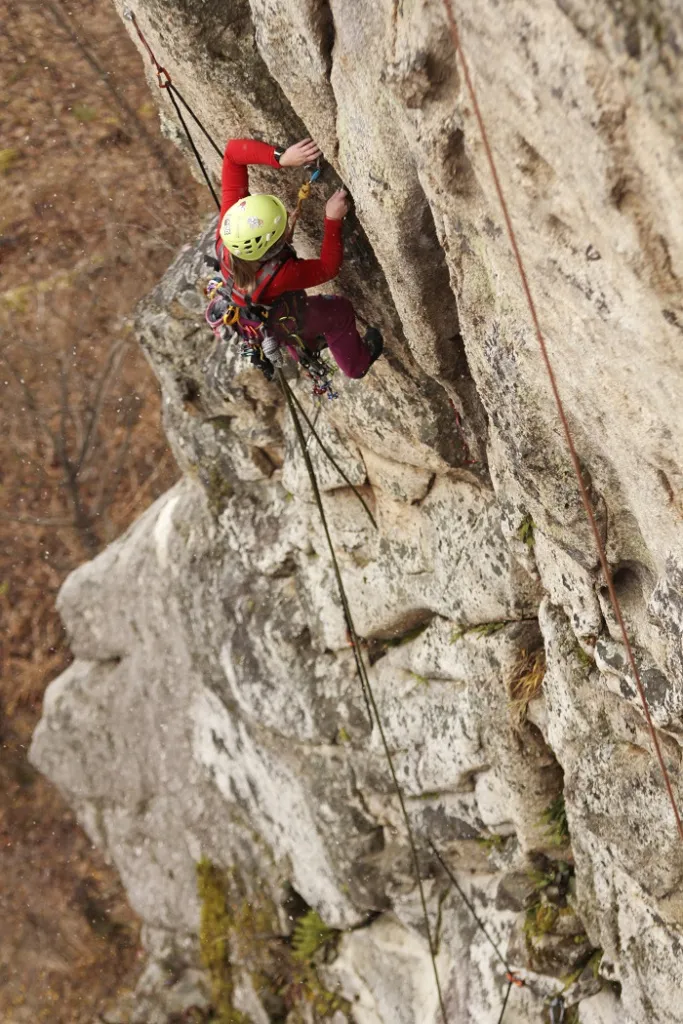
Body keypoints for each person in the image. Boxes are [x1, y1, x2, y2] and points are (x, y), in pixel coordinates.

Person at [211, 137, 383, 380]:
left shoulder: (230, 230)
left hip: (251, 311)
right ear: (271, 248)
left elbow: (232, 154)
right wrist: (332, 220)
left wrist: (281, 157)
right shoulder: (281, 275)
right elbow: (327, 268)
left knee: (290, 311)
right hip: (278, 320)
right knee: (339, 310)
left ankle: (306, 339)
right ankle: (356, 364)